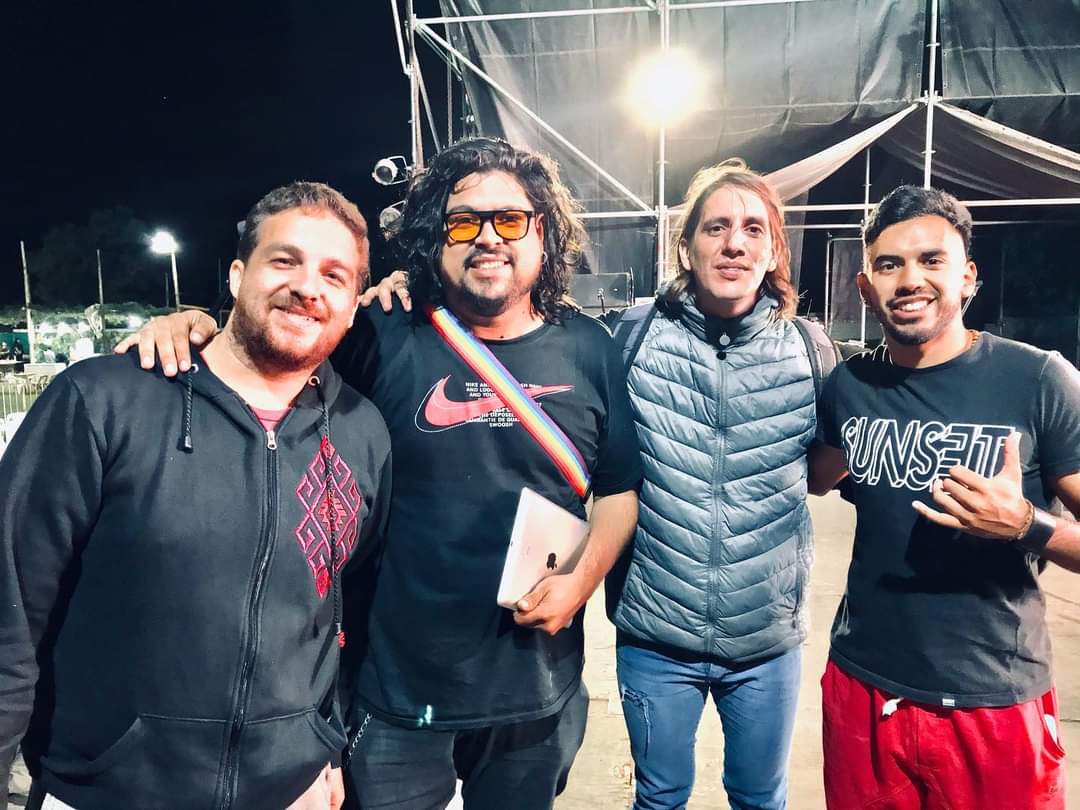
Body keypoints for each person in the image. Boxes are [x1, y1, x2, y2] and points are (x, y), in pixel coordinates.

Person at [118, 137, 642, 810]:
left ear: (542, 232)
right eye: (463, 222)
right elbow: (269, 356)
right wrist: (196, 326)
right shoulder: (381, 331)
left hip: (536, 691)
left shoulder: (590, 347)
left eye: (510, 219)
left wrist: (582, 581)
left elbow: (618, 490)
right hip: (393, 694)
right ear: (434, 236)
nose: (488, 237)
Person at [0, 182, 392, 810]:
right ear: (237, 276)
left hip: (290, 791)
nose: (307, 287)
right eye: (284, 260)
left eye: (334, 275)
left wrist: (328, 745)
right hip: (107, 790)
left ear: (351, 308)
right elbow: (11, 615)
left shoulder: (362, 433)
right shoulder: (104, 401)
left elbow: (353, 612)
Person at [809, 185, 1080, 809]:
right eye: (889, 264)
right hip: (864, 687)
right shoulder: (850, 385)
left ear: (968, 277)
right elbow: (816, 475)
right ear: (865, 287)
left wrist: (1028, 525)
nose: (910, 279)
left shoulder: (1038, 379)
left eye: (932, 260)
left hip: (994, 701)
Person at [607, 160, 827, 810]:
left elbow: (826, 472)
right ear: (687, 246)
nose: (734, 243)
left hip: (764, 645)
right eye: (716, 227)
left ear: (774, 250)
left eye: (754, 229)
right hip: (655, 637)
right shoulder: (634, 337)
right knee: (659, 798)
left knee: (760, 799)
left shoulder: (809, 350)